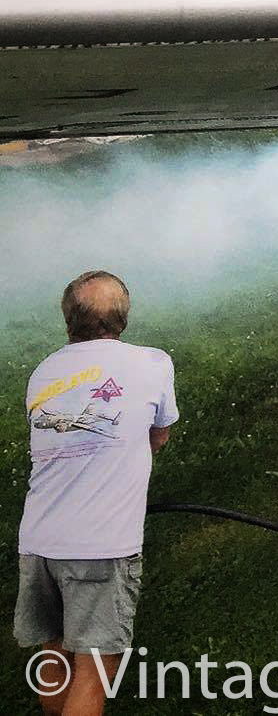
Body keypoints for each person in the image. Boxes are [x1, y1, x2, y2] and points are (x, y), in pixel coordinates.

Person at [16, 272, 177, 716]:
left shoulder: (42, 371)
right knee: (94, 670)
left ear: (68, 319)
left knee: (55, 651)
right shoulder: (152, 363)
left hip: (38, 542)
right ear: (123, 318)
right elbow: (157, 435)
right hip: (100, 545)